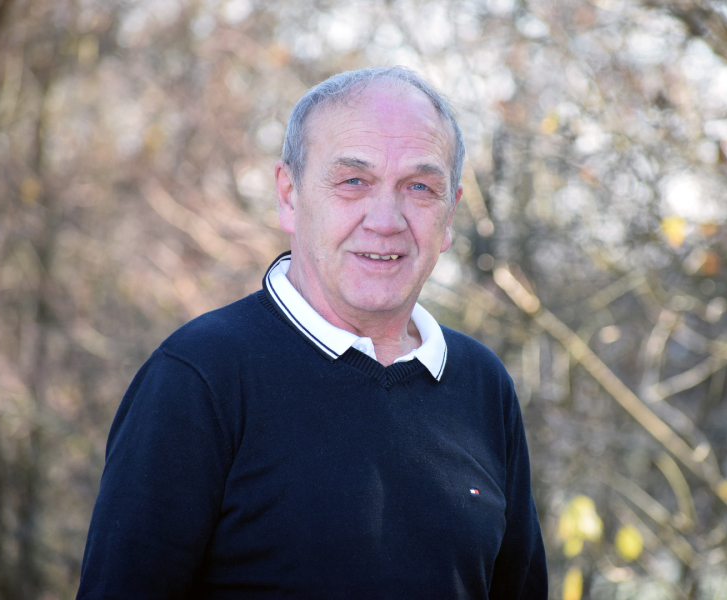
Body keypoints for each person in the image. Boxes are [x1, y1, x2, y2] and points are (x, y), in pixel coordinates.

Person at [77, 66, 547, 599]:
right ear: (289, 195)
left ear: (450, 214)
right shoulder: (200, 377)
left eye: (419, 187)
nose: (386, 219)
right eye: (353, 182)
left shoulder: (483, 387)